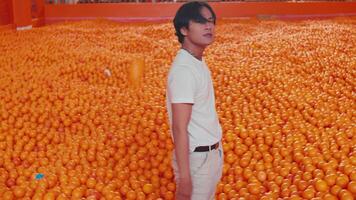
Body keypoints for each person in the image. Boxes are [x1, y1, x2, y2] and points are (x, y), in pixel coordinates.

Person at [166, 1, 223, 200]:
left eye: (211, 21)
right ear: (184, 29)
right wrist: (185, 179)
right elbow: (179, 128)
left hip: (208, 157)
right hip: (196, 161)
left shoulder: (196, 61)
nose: (209, 26)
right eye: (200, 21)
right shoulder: (184, 71)